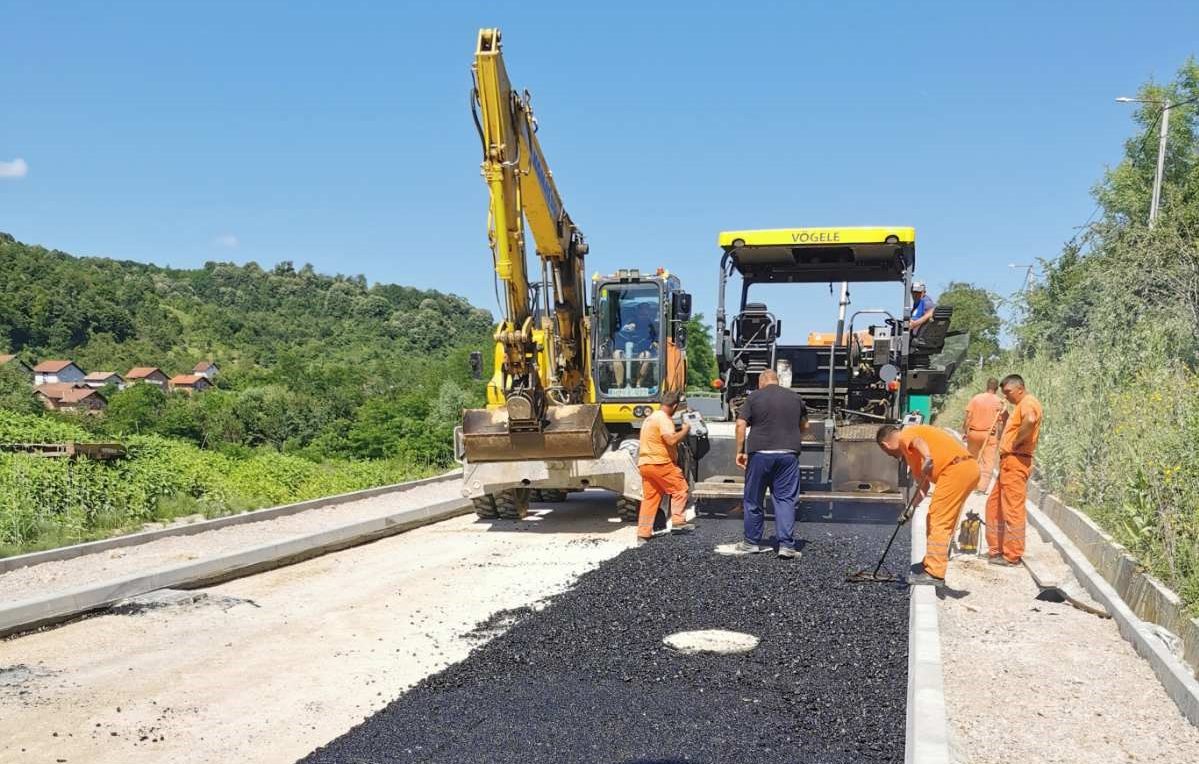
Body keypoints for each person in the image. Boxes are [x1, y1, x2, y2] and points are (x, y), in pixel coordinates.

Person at [876, 424, 980, 585]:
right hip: (966, 469)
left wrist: (929, 458)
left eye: (887, 453)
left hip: (955, 470)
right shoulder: (912, 455)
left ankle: (934, 573)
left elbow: (918, 442)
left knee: (937, 519)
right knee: (944, 519)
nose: (891, 456)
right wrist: (909, 509)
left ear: (885, 445)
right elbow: (923, 486)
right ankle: (931, 561)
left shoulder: (906, 435)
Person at [728, 369, 807, 559]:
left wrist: (739, 451)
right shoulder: (795, 398)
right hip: (788, 456)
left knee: (753, 498)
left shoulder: (755, 397)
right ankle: (787, 546)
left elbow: (740, 425)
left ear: (761, 382)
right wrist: (792, 441)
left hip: (760, 455)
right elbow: (806, 426)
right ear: (777, 381)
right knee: (785, 499)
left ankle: (751, 543)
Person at [986, 374, 1043, 566]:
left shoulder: (1028, 403)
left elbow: (1031, 419)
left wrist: (1017, 441)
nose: (1007, 397)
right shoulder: (1020, 406)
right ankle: (997, 550)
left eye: (1009, 392)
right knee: (994, 506)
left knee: (1012, 509)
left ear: (1020, 387)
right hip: (1009, 463)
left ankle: (1012, 555)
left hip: (1016, 461)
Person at [636, 389, 692, 543]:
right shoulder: (664, 419)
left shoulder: (651, 418)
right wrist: (685, 430)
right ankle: (679, 522)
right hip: (660, 463)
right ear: (674, 406)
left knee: (650, 499)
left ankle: (643, 533)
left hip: (645, 464)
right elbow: (671, 440)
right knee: (680, 489)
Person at [963, 378, 1005, 492]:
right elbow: (1000, 422)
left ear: (987, 386)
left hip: (974, 433)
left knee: (972, 458)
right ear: (997, 388)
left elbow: (968, 416)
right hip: (989, 435)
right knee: (988, 461)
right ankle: (982, 487)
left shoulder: (976, 398)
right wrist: (999, 436)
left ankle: (970, 483)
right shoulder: (999, 402)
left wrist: (965, 430)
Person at [613, 302, 659, 388]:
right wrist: (628, 326)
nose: (644, 313)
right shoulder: (628, 321)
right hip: (625, 352)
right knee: (616, 354)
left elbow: (656, 340)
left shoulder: (652, 325)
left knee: (646, 355)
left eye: (646, 311)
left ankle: (638, 385)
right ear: (638, 312)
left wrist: (655, 344)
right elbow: (619, 332)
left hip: (641, 352)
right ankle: (619, 385)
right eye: (642, 311)